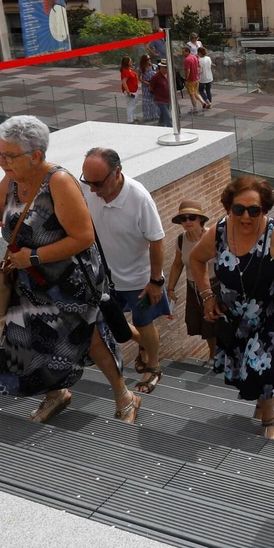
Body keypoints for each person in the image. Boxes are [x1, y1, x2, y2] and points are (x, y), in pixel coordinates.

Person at [0, 116, 137, 424]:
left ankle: (124, 396)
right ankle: (56, 392)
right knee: (37, 340)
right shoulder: (12, 179)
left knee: (91, 339)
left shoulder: (58, 182)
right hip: (29, 283)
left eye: (8, 156)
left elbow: (83, 237)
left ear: (35, 156)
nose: (1, 162)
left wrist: (33, 257)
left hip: (70, 283)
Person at [189, 177, 274, 439]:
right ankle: (263, 402)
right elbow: (196, 259)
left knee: (259, 368)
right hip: (234, 317)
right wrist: (207, 296)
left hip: (271, 314)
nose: (246, 216)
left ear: (264, 210)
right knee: (246, 372)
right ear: (229, 207)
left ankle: (269, 417)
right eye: (238, 209)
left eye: (254, 210)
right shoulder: (218, 232)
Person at [81, 147, 169, 394]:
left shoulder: (139, 197)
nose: (91, 190)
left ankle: (154, 365)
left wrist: (156, 281)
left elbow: (157, 240)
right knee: (110, 322)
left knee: (144, 322)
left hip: (140, 279)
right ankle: (145, 345)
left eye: (97, 183)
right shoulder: (91, 191)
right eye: (86, 182)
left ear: (117, 172)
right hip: (106, 278)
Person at [167, 202, 215, 353]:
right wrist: (170, 288)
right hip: (193, 287)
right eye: (183, 219)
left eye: (191, 217)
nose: (187, 222)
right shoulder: (181, 240)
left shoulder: (212, 237)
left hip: (213, 286)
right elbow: (177, 264)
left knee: (213, 322)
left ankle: (218, 357)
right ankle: (213, 356)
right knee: (201, 322)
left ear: (200, 219)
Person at [148, 57, 173, 128]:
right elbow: (151, 88)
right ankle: (171, 129)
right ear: (161, 67)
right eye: (165, 67)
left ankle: (159, 127)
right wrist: (157, 93)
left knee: (163, 116)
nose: (167, 69)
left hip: (167, 99)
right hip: (160, 100)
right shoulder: (155, 77)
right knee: (168, 116)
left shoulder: (168, 75)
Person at [119, 55, 141, 123]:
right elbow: (124, 82)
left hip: (134, 89)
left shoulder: (130, 69)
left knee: (134, 105)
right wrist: (128, 92)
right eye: (130, 61)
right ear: (127, 62)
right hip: (130, 91)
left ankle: (134, 117)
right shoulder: (125, 71)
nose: (131, 62)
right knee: (130, 105)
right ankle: (130, 119)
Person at [183, 46, 203, 114]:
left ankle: (195, 108)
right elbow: (199, 66)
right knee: (196, 92)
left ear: (187, 51)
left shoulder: (187, 60)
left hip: (191, 79)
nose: (182, 53)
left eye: (183, 52)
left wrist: (186, 79)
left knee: (192, 94)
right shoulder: (194, 57)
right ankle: (203, 103)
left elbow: (187, 70)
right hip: (196, 78)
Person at [137, 54, 157, 123]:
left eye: (149, 59)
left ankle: (154, 115)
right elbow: (139, 77)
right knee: (146, 101)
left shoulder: (153, 66)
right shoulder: (141, 68)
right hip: (146, 85)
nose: (149, 60)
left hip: (153, 84)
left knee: (153, 100)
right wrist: (145, 82)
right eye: (148, 59)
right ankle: (147, 116)